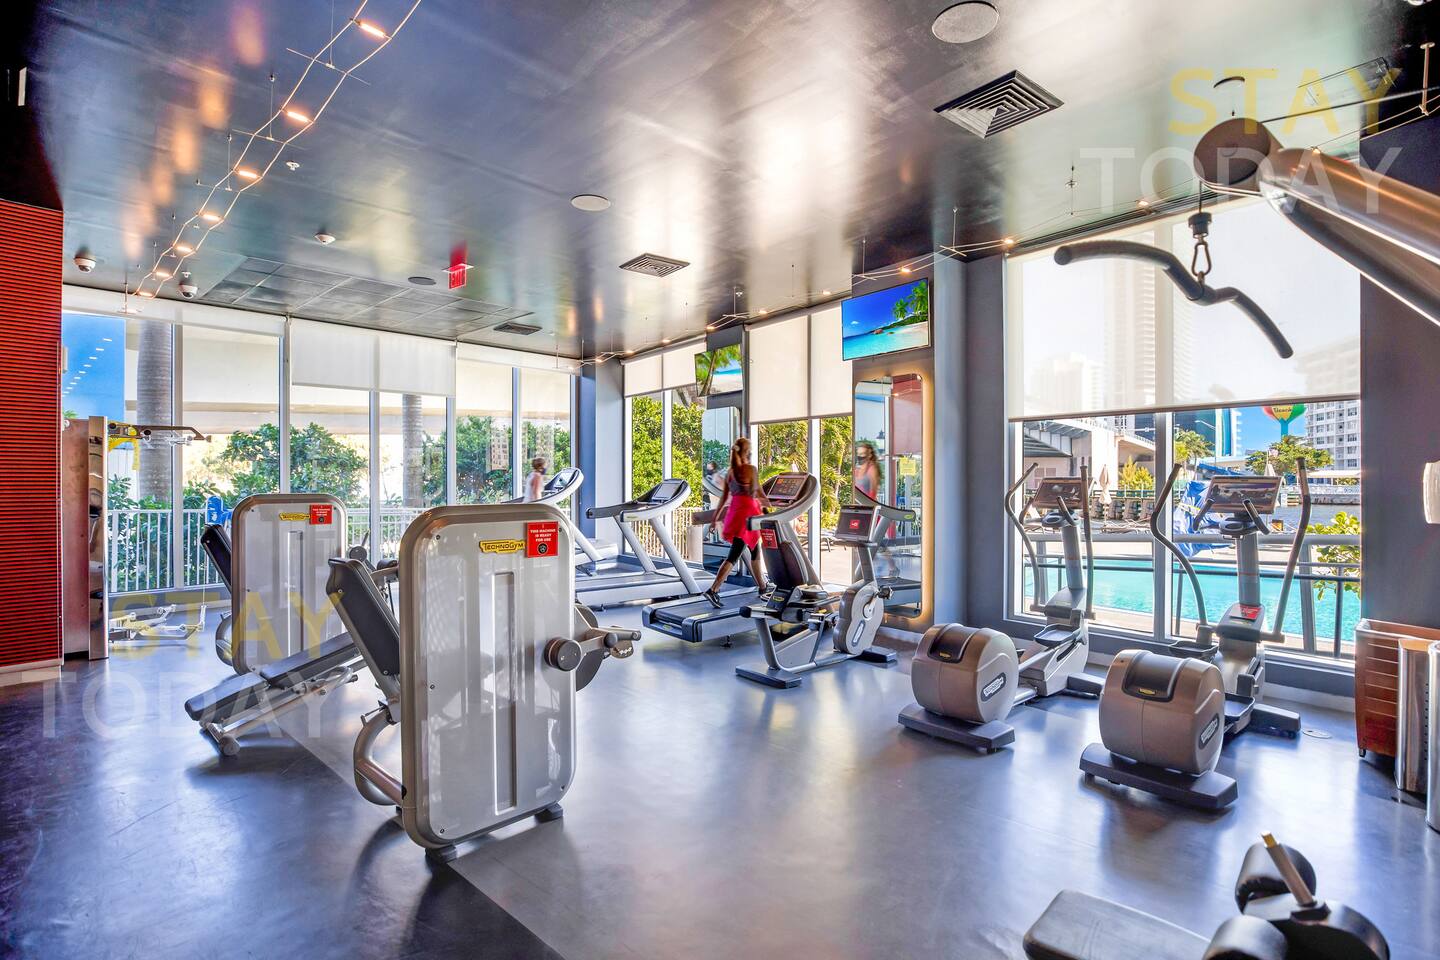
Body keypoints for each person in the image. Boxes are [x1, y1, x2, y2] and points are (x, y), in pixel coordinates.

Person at [701, 438, 769, 607]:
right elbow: (758, 493)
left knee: (755, 551)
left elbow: (724, 498)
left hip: (736, 514)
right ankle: (713, 590)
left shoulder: (731, 472)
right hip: (749, 515)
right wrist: (772, 506)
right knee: (734, 555)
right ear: (747, 452)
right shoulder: (751, 470)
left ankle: (762, 587)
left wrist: (715, 519)